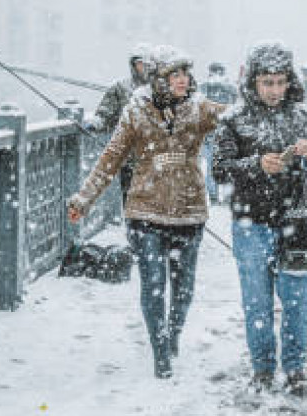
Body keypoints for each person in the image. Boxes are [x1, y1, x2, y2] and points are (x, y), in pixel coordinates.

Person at [66, 46, 227, 379]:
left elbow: (235, 121)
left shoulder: (200, 110)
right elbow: (111, 158)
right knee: (153, 284)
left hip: (189, 212)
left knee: (183, 290)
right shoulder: (135, 111)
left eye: (186, 73)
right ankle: (160, 351)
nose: (184, 79)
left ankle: (174, 333)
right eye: (175, 74)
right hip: (144, 211)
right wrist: (83, 199)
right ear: (159, 79)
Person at [211, 42, 307, 397]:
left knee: (297, 301)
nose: (275, 90)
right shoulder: (232, 120)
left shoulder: (302, 116)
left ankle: (295, 368)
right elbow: (218, 171)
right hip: (251, 224)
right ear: (253, 82)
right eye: (267, 83)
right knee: (257, 302)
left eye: (280, 82)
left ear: (289, 81)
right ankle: (262, 368)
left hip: (299, 222)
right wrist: (255, 164)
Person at [89, 43, 152, 209]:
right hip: (129, 157)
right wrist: (97, 123)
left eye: (146, 64)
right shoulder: (120, 88)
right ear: (133, 65)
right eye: (139, 64)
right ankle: (135, 231)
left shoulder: (161, 88)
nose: (143, 68)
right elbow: (105, 113)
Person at [199, 61, 239, 204]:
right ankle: (227, 196)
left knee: (211, 168)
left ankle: (214, 196)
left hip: (209, 135)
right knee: (228, 165)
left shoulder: (203, 88)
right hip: (226, 135)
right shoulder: (231, 89)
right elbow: (237, 109)